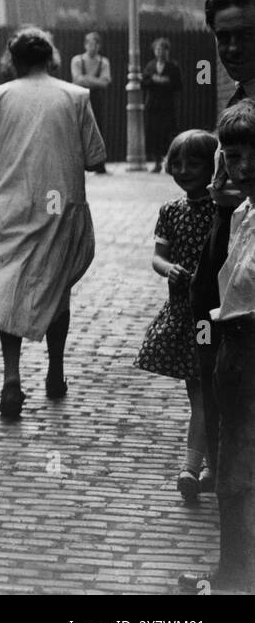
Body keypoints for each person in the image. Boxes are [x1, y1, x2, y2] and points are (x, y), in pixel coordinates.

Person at [0, 26, 106, 419]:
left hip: (9, 207)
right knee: (56, 291)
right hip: (59, 210)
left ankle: (11, 378)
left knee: (10, 290)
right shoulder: (76, 97)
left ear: (13, 61)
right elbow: (95, 156)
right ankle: (55, 372)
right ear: (51, 58)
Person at [180, 0, 255, 594]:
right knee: (227, 428)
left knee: (239, 453)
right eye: (222, 37)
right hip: (226, 288)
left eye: (244, 35)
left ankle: (233, 578)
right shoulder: (238, 96)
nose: (231, 47)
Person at [132, 129, 217, 502]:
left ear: (213, 166)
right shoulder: (170, 211)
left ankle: (191, 466)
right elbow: (158, 256)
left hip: (212, 314)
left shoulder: (223, 210)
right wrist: (169, 270)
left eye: (194, 163)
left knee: (205, 389)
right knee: (199, 387)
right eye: (177, 163)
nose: (184, 170)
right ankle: (207, 463)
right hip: (187, 314)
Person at [71, 31, 111, 174]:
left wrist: (86, 79)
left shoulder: (104, 62)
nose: (92, 47)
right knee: (78, 129)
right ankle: (79, 164)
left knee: (98, 128)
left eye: (95, 44)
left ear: (99, 46)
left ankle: (99, 164)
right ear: (85, 45)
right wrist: (96, 81)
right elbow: (76, 79)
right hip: (80, 98)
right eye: (89, 44)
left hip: (97, 99)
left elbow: (105, 82)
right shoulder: (77, 60)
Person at [143, 37, 183, 173]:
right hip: (152, 106)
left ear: (167, 51)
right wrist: (157, 79)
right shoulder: (150, 66)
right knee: (153, 133)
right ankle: (156, 162)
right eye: (157, 49)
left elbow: (178, 85)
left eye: (163, 49)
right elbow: (144, 82)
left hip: (167, 106)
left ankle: (170, 162)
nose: (160, 52)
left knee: (168, 133)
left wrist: (163, 81)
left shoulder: (173, 66)